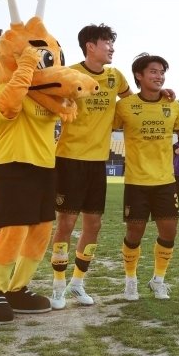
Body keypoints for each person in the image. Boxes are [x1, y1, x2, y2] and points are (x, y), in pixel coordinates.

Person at [49, 24, 133, 309]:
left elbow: (130, 101)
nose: (111, 47)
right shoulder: (69, 74)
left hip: (98, 162)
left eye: (112, 42)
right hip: (70, 159)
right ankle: (57, 286)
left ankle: (77, 282)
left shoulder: (115, 76)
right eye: (106, 42)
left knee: (93, 224)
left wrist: (160, 96)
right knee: (66, 223)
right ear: (90, 46)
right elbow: (52, 103)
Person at [112, 54, 179, 300]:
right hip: (136, 182)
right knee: (134, 233)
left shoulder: (173, 105)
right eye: (153, 72)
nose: (159, 76)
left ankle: (158, 280)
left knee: (169, 232)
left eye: (161, 72)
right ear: (139, 75)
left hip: (165, 181)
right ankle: (130, 280)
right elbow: (105, 125)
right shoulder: (124, 106)